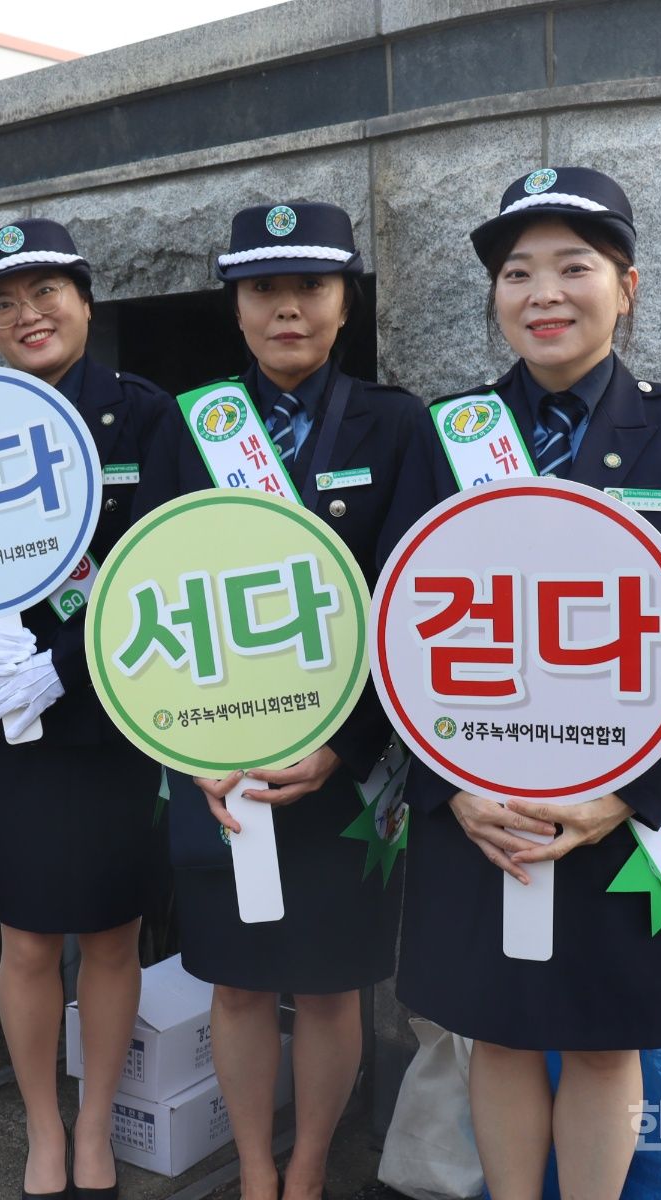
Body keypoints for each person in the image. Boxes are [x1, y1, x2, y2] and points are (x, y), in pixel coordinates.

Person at [390, 167, 661, 1200]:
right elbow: (395, 630)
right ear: (497, 296)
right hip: (482, 801)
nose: (544, 293)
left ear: (627, 287)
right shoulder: (449, 434)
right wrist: (449, 788)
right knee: (499, 1036)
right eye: (518, 272)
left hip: (625, 806)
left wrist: (624, 801)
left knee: (607, 1041)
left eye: (575, 266)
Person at [134, 202, 420, 1200]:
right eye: (263, 289)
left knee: (334, 985)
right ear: (237, 308)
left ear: (345, 303)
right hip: (216, 760)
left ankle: (307, 1170)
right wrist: (191, 751)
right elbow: (151, 594)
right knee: (239, 980)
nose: (287, 307)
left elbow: (411, 610)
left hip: (338, 773)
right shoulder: (191, 422)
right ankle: (255, 1170)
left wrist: (343, 748)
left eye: (310, 286)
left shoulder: (397, 425)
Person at [0, 219, 166, 1200]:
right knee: (24, 936)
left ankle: (94, 1126)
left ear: (86, 302)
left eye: (46, 292)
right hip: (5, 719)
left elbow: (160, 561)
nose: (29, 315)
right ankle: (41, 1128)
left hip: (109, 713)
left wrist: (68, 662)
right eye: (3, 304)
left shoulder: (142, 416)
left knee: (109, 932)